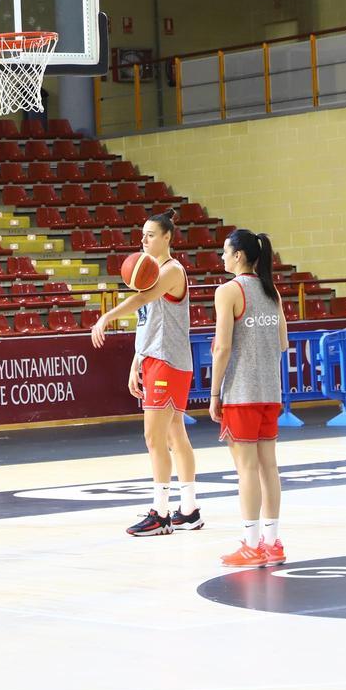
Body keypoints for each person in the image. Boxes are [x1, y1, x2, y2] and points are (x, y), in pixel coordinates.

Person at [91, 209, 201, 536]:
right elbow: (149, 323)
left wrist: (106, 316)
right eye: (142, 235)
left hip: (167, 360)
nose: (144, 240)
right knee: (175, 435)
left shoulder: (172, 270)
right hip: (157, 358)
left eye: (151, 235)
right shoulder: (153, 273)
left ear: (167, 237)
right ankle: (190, 509)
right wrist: (136, 361)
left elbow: (144, 297)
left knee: (154, 438)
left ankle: (160, 514)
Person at [209, 229, 289, 569]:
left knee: (246, 469)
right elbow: (283, 343)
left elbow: (223, 347)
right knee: (269, 467)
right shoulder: (272, 291)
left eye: (225, 252)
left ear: (238, 255)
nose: (222, 257)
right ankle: (272, 543)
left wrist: (215, 392)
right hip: (270, 392)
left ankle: (251, 545)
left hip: (241, 393)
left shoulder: (228, 291)